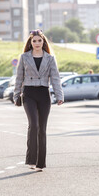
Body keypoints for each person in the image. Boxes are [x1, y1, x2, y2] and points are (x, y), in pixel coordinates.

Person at [13, 29, 64, 172]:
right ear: (30, 42)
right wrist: (16, 95)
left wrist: (59, 96)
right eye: (33, 41)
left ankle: (40, 163)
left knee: (42, 129)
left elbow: (55, 78)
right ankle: (31, 160)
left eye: (39, 40)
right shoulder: (24, 57)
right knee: (33, 125)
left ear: (43, 42)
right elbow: (19, 78)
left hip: (43, 94)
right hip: (29, 93)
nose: (36, 43)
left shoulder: (50, 58)